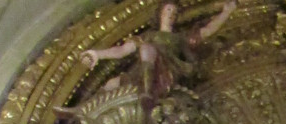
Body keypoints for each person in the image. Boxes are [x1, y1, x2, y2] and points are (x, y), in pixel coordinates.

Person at [80, 1, 236, 109]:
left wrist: (226, 12)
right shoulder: (147, 37)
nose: (171, 14)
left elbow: (207, 31)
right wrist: (96, 54)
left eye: (174, 12)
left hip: (165, 73)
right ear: (160, 13)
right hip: (140, 73)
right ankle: (82, 110)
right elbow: (121, 51)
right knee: (111, 83)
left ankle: (147, 93)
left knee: (147, 49)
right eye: (168, 10)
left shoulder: (179, 38)